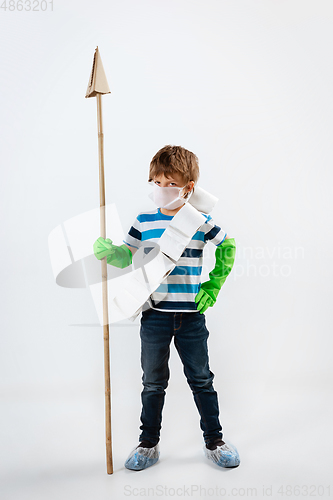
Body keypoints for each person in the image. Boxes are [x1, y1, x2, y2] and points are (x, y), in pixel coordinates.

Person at [93, 145, 240, 470]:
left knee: (201, 379)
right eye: (156, 183)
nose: (161, 190)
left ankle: (214, 440)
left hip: (191, 318)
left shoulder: (199, 221)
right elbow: (125, 255)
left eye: (169, 184)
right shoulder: (144, 220)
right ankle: (148, 444)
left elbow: (228, 245)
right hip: (154, 316)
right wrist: (110, 252)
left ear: (188, 187)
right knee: (152, 383)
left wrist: (213, 285)